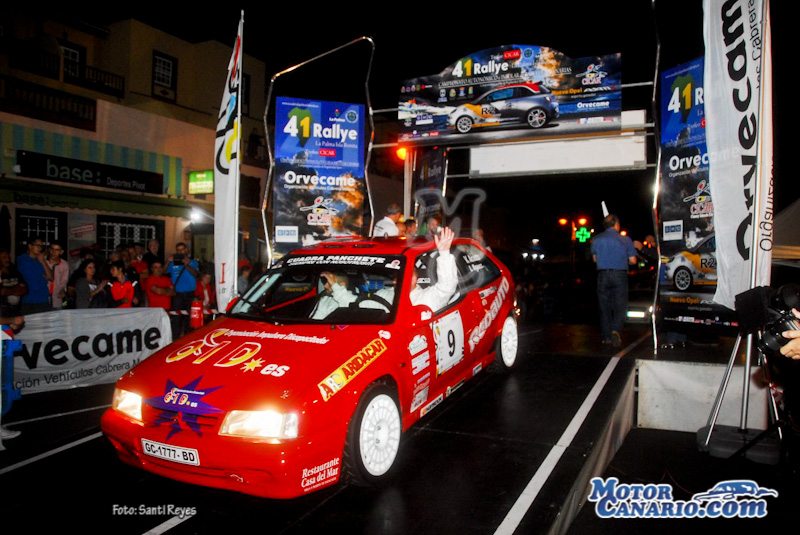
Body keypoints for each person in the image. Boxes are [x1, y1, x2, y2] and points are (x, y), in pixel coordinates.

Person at [311, 227, 458, 319]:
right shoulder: (384, 295)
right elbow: (352, 304)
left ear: (414, 278)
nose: (394, 282)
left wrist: (444, 253)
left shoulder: (428, 298)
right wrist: (335, 286)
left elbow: (447, 285)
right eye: (394, 278)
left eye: (398, 278)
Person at [590, 214, 637, 348]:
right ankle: (615, 329)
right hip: (619, 275)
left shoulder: (597, 239)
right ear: (616, 224)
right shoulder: (625, 240)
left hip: (602, 275)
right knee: (620, 305)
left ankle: (606, 337)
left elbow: (595, 259)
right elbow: (633, 260)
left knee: (604, 307)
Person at [167, 242, 199, 339]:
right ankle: (175, 339)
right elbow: (164, 271)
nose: (180, 252)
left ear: (186, 250)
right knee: (176, 320)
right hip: (177, 295)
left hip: (189, 294)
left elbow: (196, 274)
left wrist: (186, 264)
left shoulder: (193, 262)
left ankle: (188, 339)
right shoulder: (173, 263)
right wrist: (168, 261)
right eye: (178, 250)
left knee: (189, 320)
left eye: (182, 249)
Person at [16, 237, 54, 314]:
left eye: (41, 246)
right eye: (37, 245)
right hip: (31, 301)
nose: (39, 248)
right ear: (30, 246)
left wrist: (43, 262)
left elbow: (51, 277)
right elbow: (34, 284)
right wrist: (44, 279)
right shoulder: (23, 260)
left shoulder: (39, 260)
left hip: (43, 299)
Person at [0, 249, 27, 317]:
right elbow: (2, 292)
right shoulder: (1, 275)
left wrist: (9, 291)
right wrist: (17, 288)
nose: (7, 260)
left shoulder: (14, 272)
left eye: (8, 257)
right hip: (3, 311)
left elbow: (24, 289)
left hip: (16, 311)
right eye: (4, 257)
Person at [47, 242, 69, 309]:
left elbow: (64, 281)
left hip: (57, 298)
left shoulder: (64, 264)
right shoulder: (44, 262)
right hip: (43, 298)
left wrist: (62, 290)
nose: (54, 252)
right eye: (52, 249)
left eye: (57, 250)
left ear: (61, 252)